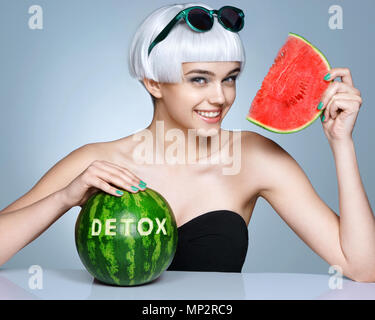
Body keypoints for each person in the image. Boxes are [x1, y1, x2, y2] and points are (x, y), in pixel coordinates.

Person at [0, 3, 374, 281]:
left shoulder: (256, 157)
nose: (220, 97)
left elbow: (363, 267)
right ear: (153, 81)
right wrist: (64, 198)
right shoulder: (96, 161)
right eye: (199, 79)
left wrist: (342, 144)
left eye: (229, 78)